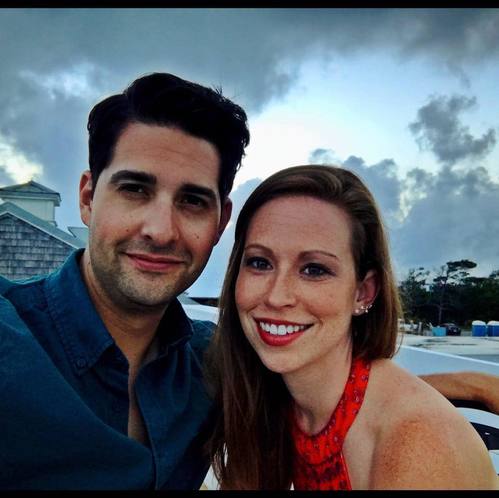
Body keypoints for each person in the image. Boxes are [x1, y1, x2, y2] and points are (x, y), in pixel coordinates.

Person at [0, 72, 249, 489]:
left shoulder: (216, 365)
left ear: (220, 223)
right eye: (135, 189)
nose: (161, 231)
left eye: (192, 201)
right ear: (87, 198)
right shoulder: (10, 337)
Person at [206, 164, 498, 490]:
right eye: (260, 263)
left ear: (363, 292)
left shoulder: (418, 448)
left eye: (314, 270)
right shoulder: (281, 400)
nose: (276, 296)